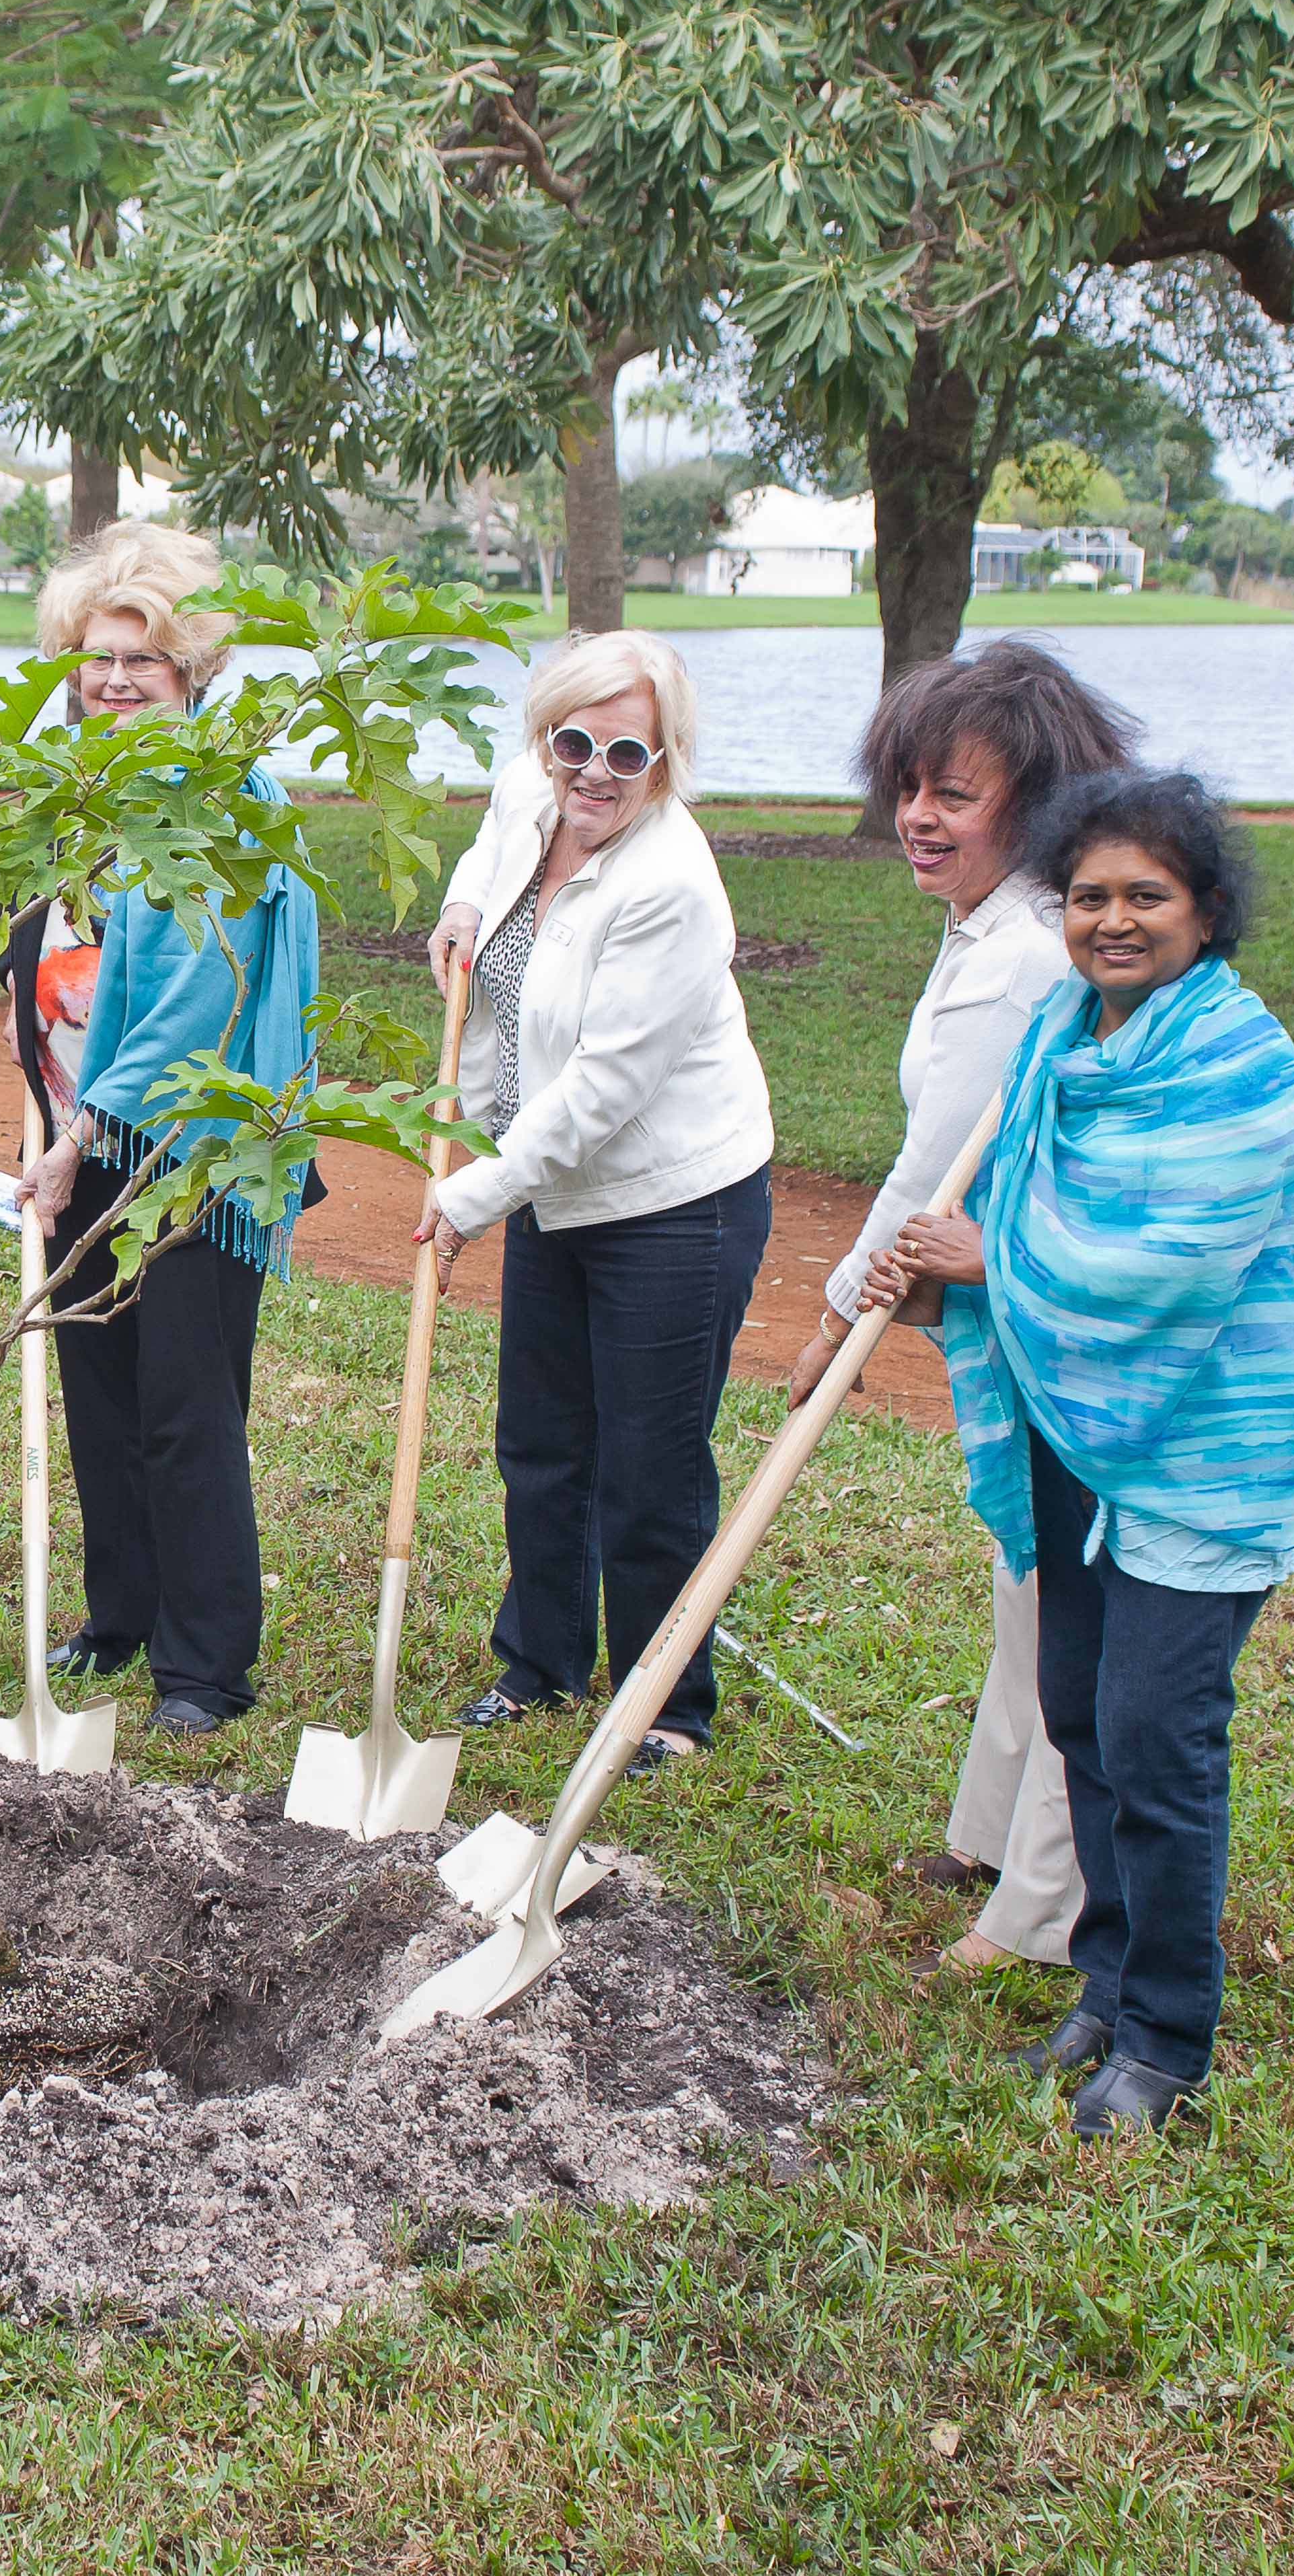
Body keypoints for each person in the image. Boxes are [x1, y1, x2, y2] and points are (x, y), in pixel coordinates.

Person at [863, 770, 1294, 2137]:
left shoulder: (1233, 1058)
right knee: (1081, 1715)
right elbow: (1003, 1187)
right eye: (1087, 895)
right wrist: (936, 1273)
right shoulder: (1057, 1035)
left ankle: (1163, 2042)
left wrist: (989, 1261)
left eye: (1146, 894)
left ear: (1205, 913)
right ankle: (1104, 1980)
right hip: (1074, 1431)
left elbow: (1170, 1267)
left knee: (1157, 1735)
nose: (1112, 919)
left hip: (1205, 1450)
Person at [810, 645, 1136, 1981]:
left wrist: (838, 1317)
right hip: (1009, 1311)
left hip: (1073, 1330)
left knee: (1066, 1600)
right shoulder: (987, 931)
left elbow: (925, 1160)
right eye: (907, 787)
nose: (919, 818)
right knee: (1030, 1580)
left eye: (955, 792)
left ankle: (1041, 1907)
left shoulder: (1019, 957)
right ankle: (987, 1833)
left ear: (1039, 806)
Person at [414, 631, 775, 1758]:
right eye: (573, 742)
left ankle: (666, 1706)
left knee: (648, 1463)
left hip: (670, 1201)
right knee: (540, 1437)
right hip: (554, 1190)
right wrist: (465, 908)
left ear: (662, 764)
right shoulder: (537, 787)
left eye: (628, 754)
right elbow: (492, 840)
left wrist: (482, 1188)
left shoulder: (670, 886)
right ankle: (540, 1664)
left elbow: (603, 1090)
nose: (593, 772)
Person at [11, 523, 313, 1736]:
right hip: (80, 1138)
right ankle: (120, 1616)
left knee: (186, 1409)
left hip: (191, 1158)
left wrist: (75, 1138)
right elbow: (43, 981)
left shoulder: (222, 806)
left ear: (192, 668)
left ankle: (203, 1666)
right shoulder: (78, 804)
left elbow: (190, 1007)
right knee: (99, 1394)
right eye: (98, 657)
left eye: (144, 657)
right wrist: (48, 1124)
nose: (118, 678)